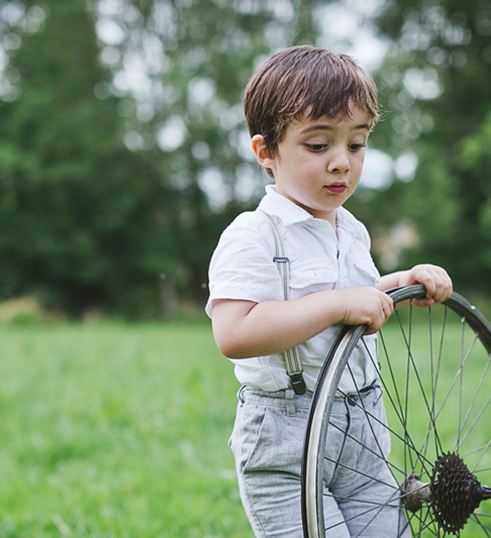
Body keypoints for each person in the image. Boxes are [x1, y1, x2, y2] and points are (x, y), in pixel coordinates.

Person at [205, 45, 453, 538]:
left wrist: (397, 285)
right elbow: (234, 332)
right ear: (266, 153)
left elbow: (354, 298)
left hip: (364, 426)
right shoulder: (254, 234)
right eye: (318, 146)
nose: (341, 163)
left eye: (356, 145)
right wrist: (339, 303)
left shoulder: (351, 230)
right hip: (286, 438)